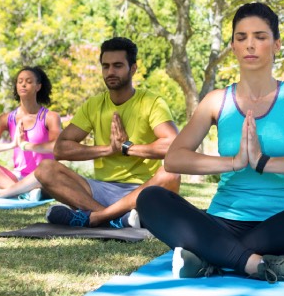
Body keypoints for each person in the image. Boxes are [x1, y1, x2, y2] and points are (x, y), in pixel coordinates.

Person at [135, 2, 284, 285]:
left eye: (260, 36)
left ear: (277, 44)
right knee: (150, 198)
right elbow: (174, 158)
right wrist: (233, 163)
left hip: (280, 225)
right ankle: (261, 264)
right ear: (232, 46)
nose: (250, 45)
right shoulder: (216, 101)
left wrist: (263, 163)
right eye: (241, 38)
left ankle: (211, 257)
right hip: (221, 222)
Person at [38, 37, 180, 228]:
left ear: (133, 68)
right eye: (106, 66)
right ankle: (113, 218)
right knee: (45, 169)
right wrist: (108, 149)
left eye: (118, 65)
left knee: (171, 174)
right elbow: (61, 149)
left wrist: (127, 148)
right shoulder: (94, 105)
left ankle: (96, 217)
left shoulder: (151, 102)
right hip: (100, 189)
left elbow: (175, 146)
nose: (110, 71)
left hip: (143, 190)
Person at [0, 66, 62, 200]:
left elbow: (56, 147)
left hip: (42, 176)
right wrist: (13, 144)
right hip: (18, 177)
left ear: (38, 87)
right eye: (20, 81)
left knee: (44, 178)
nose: (23, 84)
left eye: (29, 81)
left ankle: (12, 192)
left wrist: (25, 145)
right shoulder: (7, 118)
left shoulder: (50, 117)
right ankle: (24, 193)